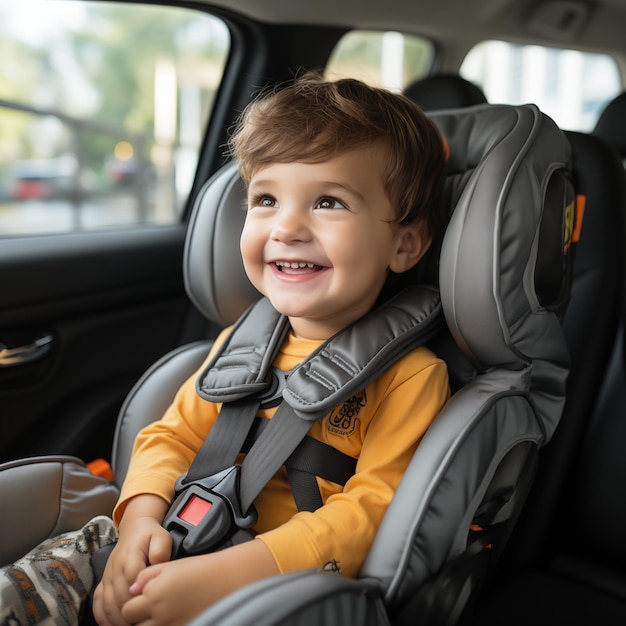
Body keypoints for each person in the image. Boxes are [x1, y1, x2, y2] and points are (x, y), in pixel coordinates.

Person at [0, 73, 450, 626]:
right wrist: (140, 520)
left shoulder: (411, 378)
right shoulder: (242, 346)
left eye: (329, 202)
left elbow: (372, 513)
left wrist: (225, 576)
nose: (287, 227)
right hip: (164, 540)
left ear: (404, 244)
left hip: (276, 586)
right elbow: (172, 436)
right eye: (266, 199)